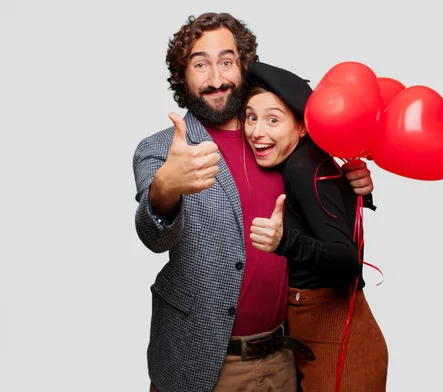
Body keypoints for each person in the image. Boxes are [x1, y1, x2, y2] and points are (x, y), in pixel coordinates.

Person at [132, 12, 376, 392]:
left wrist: (353, 182)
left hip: (285, 358)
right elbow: (153, 234)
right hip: (201, 364)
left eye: (226, 62)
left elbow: (321, 209)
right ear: (182, 76)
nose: (215, 79)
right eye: (200, 65)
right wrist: (166, 187)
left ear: (244, 67)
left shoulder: (272, 140)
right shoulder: (160, 150)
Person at [243, 62, 388, 392]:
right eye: (251, 117)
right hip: (314, 332)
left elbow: (347, 262)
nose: (256, 131)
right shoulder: (306, 159)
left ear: (303, 128)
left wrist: (285, 242)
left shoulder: (302, 168)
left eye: (273, 120)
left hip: (337, 337)